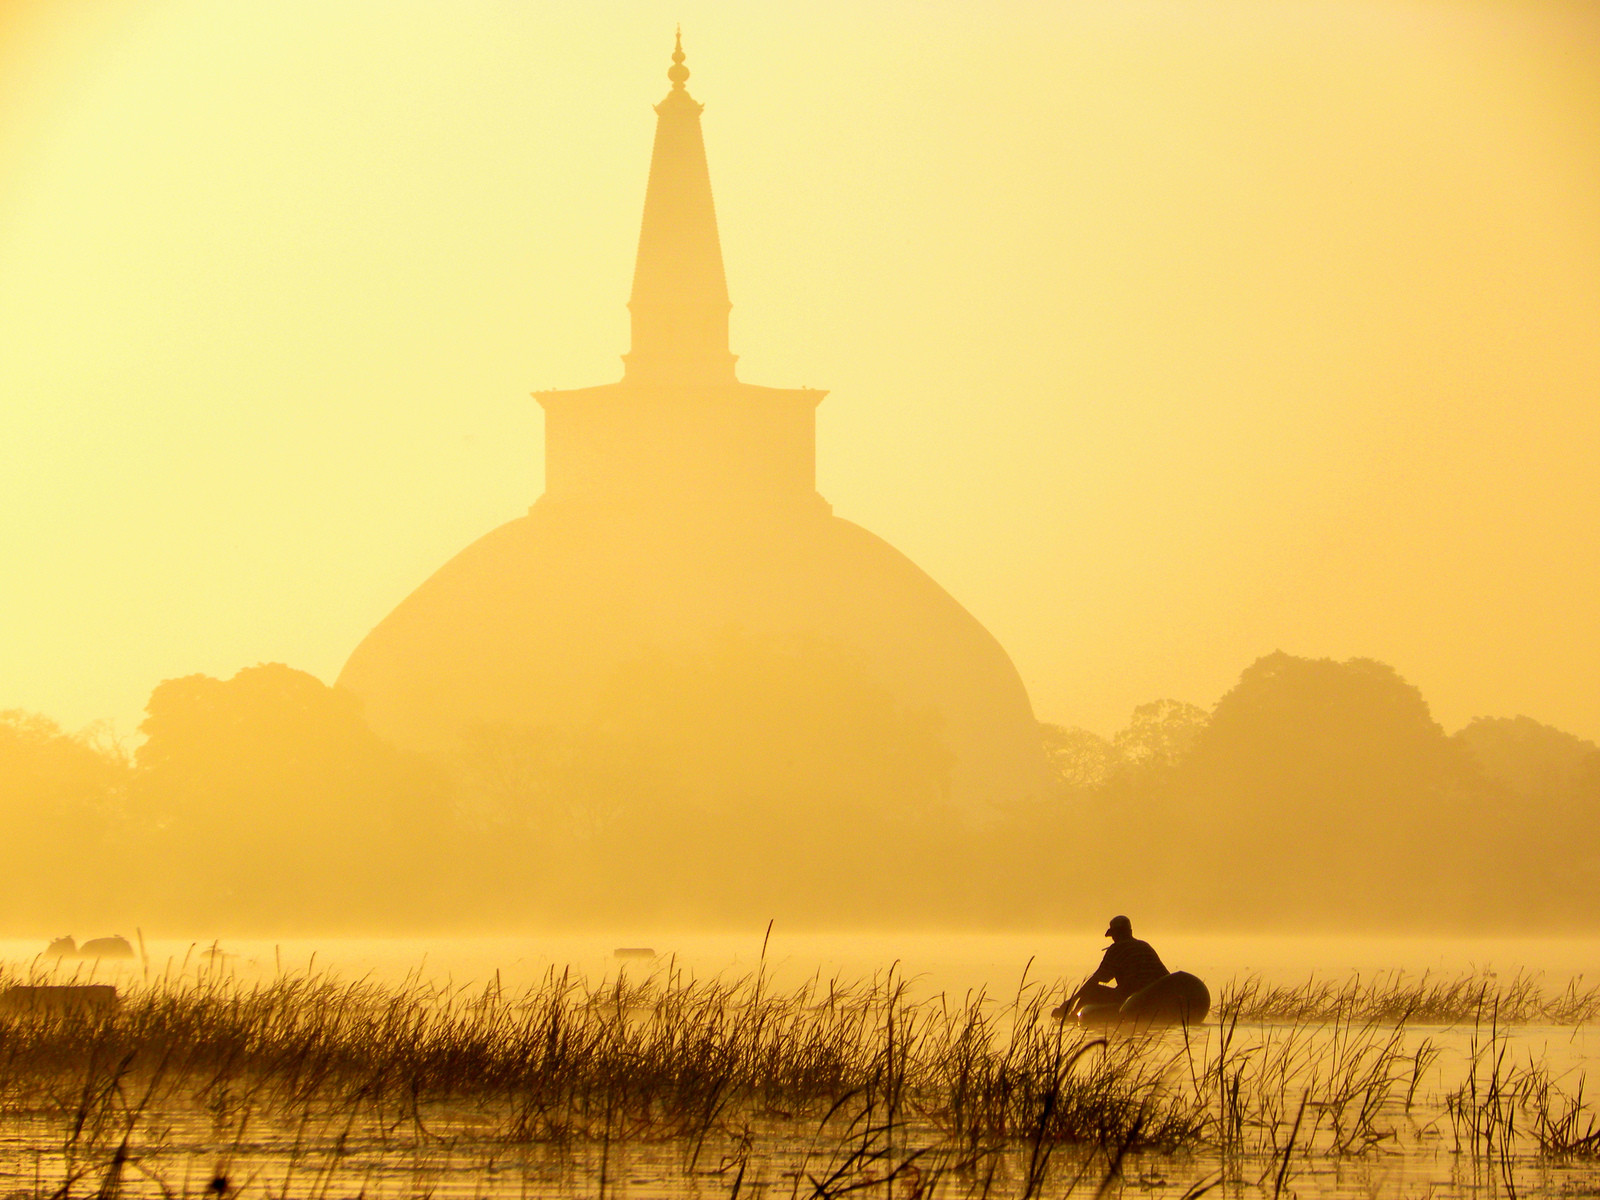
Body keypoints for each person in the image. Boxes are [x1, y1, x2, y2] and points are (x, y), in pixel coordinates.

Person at [1065, 915, 1169, 1015]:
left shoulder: (1116, 949)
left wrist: (1072, 1001)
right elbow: (1165, 976)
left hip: (1129, 998)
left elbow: (1096, 979)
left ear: (1115, 934)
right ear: (1130, 932)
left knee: (1091, 992)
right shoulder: (1145, 946)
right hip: (1153, 997)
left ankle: (1071, 1018)